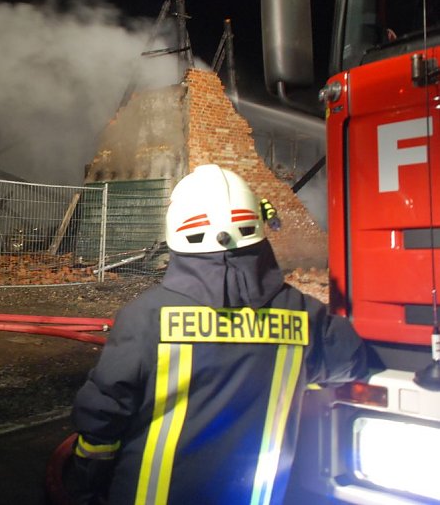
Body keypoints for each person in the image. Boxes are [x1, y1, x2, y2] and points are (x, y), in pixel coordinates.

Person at [69, 164, 367, 505]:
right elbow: (351, 361)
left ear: (176, 229)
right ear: (258, 223)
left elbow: (102, 420)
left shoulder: (145, 317)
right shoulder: (304, 315)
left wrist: (85, 484)